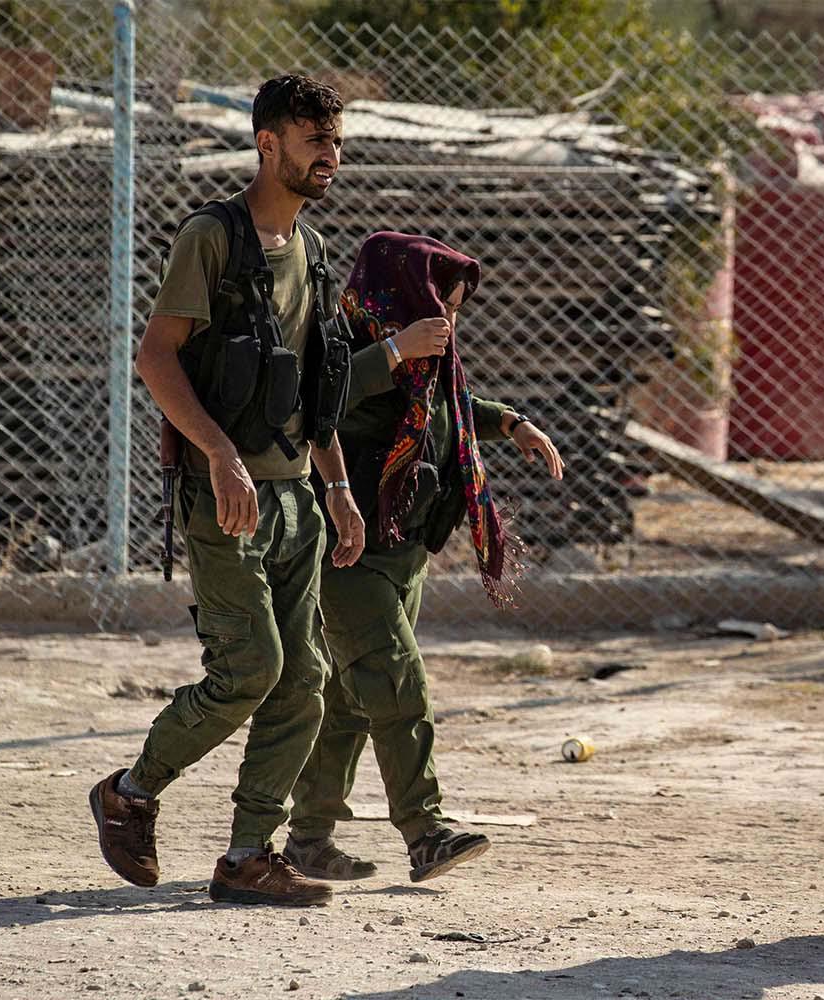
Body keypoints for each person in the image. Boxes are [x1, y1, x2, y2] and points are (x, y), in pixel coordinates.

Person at [90, 75, 364, 907]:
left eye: (337, 143)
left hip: (297, 503)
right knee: (250, 666)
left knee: (303, 679)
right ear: (267, 145)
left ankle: (249, 854)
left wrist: (341, 490)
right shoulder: (211, 238)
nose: (331, 158)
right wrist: (218, 455)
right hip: (229, 498)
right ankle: (130, 793)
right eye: (315, 142)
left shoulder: (313, 251)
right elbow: (157, 357)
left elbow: (312, 387)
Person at [279, 232, 563, 883]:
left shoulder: (427, 362)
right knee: (397, 680)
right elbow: (314, 406)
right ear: (408, 294)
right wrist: (393, 350)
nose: (451, 321)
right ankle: (425, 831)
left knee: (351, 698)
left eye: (456, 309)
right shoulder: (345, 345)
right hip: (350, 552)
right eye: (445, 303)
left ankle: (308, 841)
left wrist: (511, 424)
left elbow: (447, 407)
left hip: (405, 551)